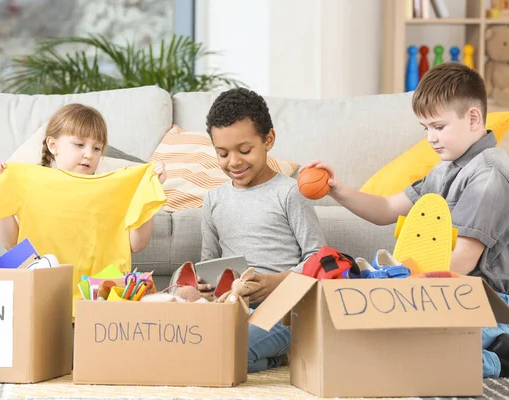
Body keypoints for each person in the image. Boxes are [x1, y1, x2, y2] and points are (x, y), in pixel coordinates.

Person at [302, 62, 509, 378]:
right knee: (368, 336)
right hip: (446, 292)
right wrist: (337, 190)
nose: (431, 138)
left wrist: (401, 286)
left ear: (473, 118)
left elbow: (463, 262)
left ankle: (496, 355)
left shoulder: (489, 173)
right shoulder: (442, 171)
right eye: (425, 128)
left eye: (438, 127)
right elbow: (386, 208)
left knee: (399, 346)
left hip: (485, 301)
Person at [0, 103, 167, 312]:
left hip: (98, 302)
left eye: (97, 148)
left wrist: (147, 192)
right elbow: (11, 244)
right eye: (79, 144)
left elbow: (137, 244)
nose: (89, 154)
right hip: (44, 299)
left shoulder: (117, 188)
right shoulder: (28, 182)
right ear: (53, 145)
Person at [198, 87, 326, 372]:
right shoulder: (214, 200)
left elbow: (319, 260)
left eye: (245, 150)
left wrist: (275, 281)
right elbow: (208, 262)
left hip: (284, 310)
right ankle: (278, 358)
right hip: (232, 306)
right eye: (222, 153)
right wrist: (204, 288)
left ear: (268, 139)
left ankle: (278, 350)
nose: (234, 162)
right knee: (197, 346)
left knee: (227, 351)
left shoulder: (290, 193)